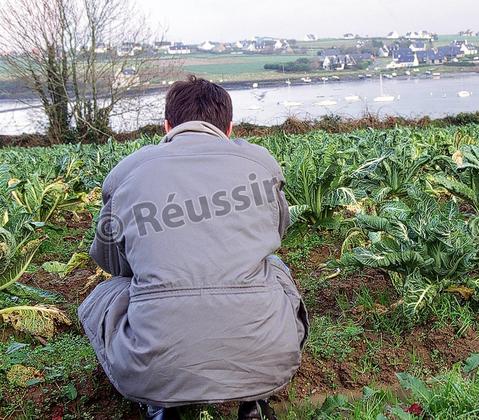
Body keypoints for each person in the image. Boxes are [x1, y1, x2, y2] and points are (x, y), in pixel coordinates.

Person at [78, 75, 308, 420]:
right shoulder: (261, 165)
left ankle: (158, 404)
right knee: (275, 267)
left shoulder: (128, 173)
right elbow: (278, 231)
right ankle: (254, 402)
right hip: (269, 361)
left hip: (151, 368)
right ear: (229, 128)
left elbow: (113, 261)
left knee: (107, 292)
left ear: (167, 125)